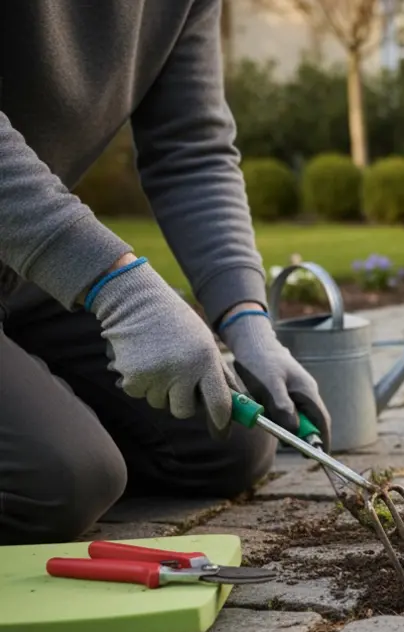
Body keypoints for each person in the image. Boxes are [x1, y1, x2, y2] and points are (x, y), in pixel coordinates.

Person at [0, 1, 331, 545]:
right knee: (59, 485)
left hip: (24, 274)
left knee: (226, 443)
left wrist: (247, 321)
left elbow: (192, 149)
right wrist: (120, 287)